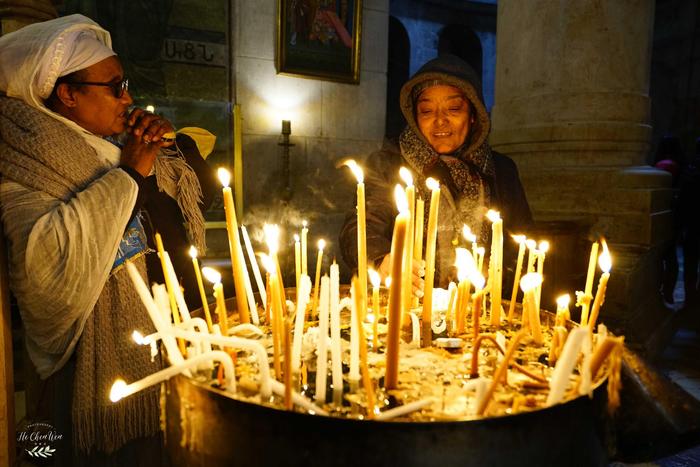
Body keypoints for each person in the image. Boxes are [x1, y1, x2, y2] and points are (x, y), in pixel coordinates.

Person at [0, 14, 211, 465]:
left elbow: (185, 215)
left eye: (126, 83)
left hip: (167, 339)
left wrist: (164, 153)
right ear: (68, 94)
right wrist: (131, 172)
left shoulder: (114, 146)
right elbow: (47, 270)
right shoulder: (26, 162)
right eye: (114, 87)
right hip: (89, 369)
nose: (128, 98)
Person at [339, 54, 532, 291]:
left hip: (479, 315)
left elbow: (520, 244)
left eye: (453, 108)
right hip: (409, 310)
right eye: (427, 111)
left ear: (473, 115)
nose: (440, 121)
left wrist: (502, 276)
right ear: (415, 118)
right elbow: (360, 228)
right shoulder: (388, 164)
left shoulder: (501, 171)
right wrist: (381, 259)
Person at [653, 135, 685, 307]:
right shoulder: (682, 166)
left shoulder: (663, 166)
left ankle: (660, 292)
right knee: (671, 258)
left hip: (663, 215)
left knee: (662, 256)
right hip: (676, 216)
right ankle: (668, 293)